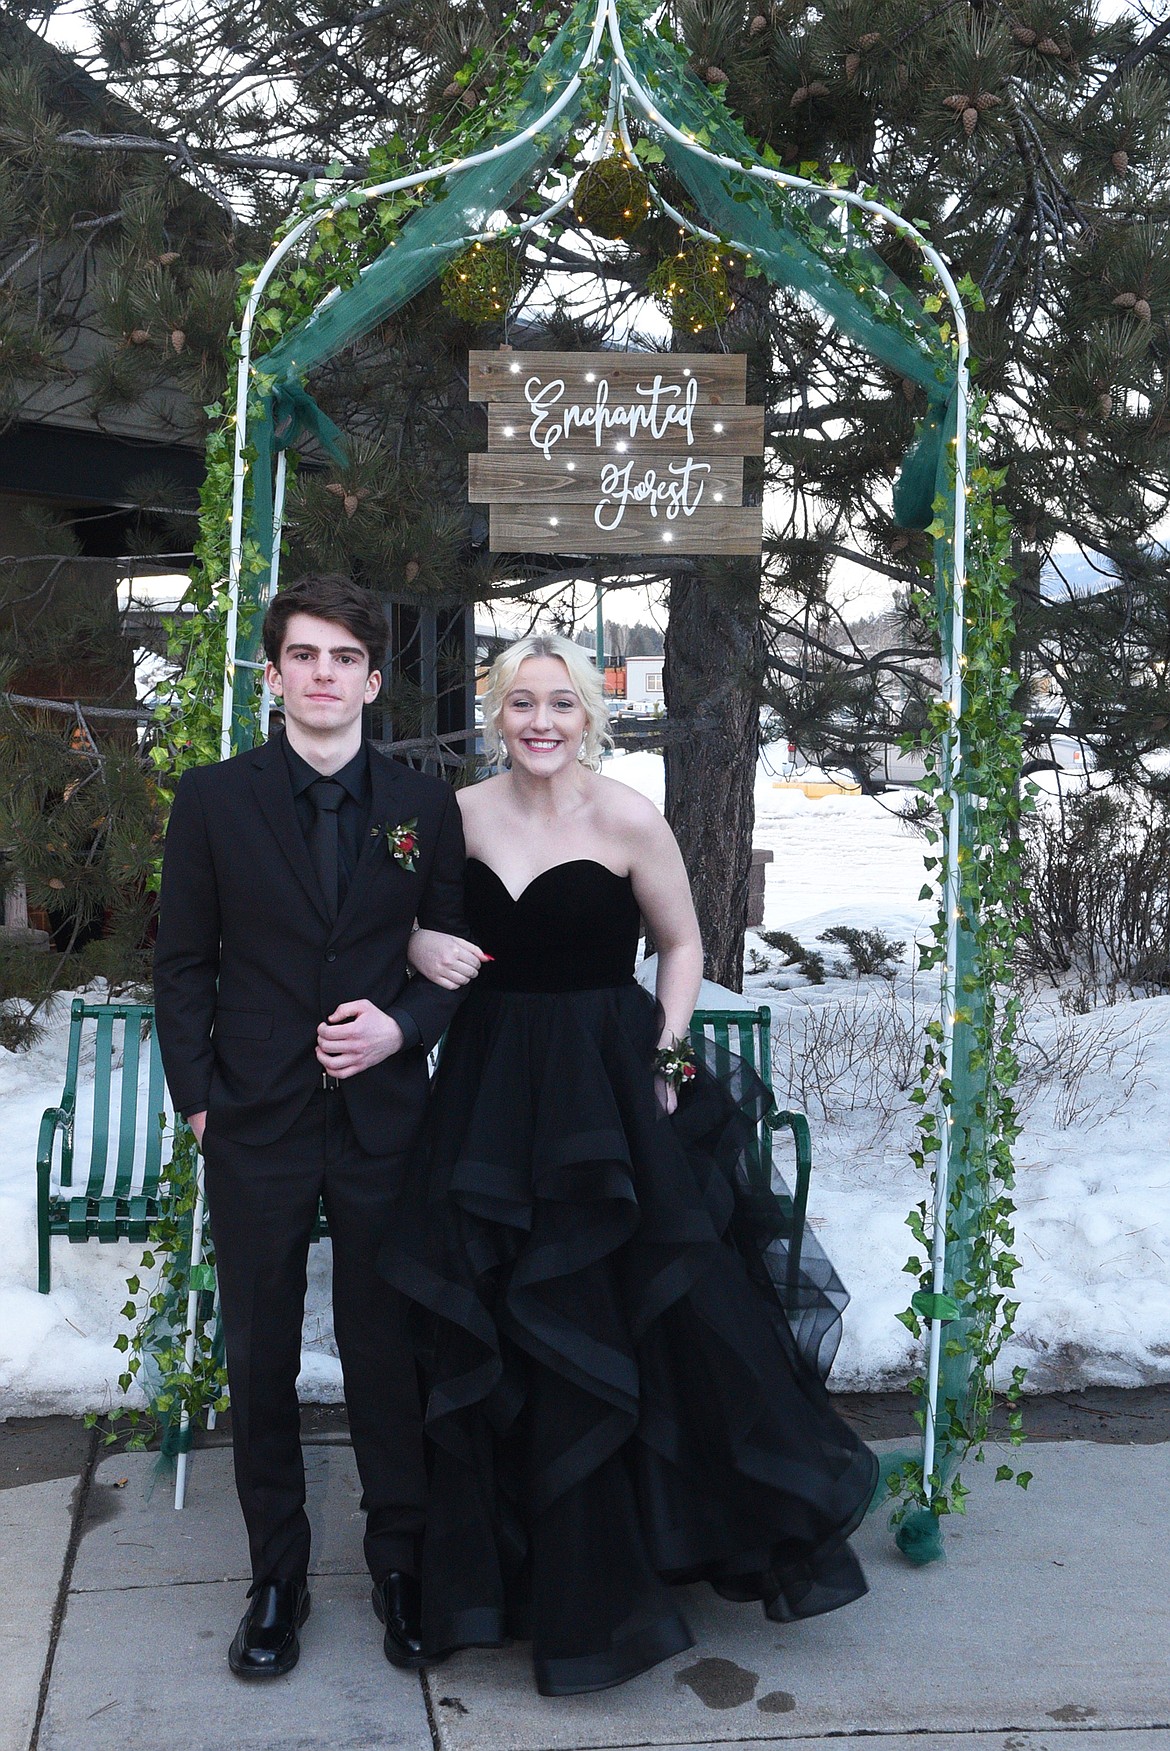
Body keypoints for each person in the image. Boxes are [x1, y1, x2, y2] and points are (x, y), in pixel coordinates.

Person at [388, 632, 879, 1697]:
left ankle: (625, 1561)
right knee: (501, 1313)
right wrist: (423, 949)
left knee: (621, 1314)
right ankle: (510, 1571)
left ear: (589, 713)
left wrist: (666, 1044)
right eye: (521, 703)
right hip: (488, 1086)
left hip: (607, 1086)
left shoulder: (628, 815)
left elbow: (684, 942)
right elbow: (417, 926)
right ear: (495, 714)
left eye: (561, 702)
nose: (541, 721)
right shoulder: (457, 817)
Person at [153, 574, 467, 1679]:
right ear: (275, 672)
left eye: (345, 657)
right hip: (257, 1120)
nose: (324, 673)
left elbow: (453, 958)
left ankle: (400, 1563)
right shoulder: (213, 798)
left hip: (385, 1118)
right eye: (305, 654)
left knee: (390, 1350)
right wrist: (199, 1096)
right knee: (262, 1353)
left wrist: (402, 1027)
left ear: (373, 680)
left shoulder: (425, 808)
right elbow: (182, 964)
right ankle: (276, 1576)